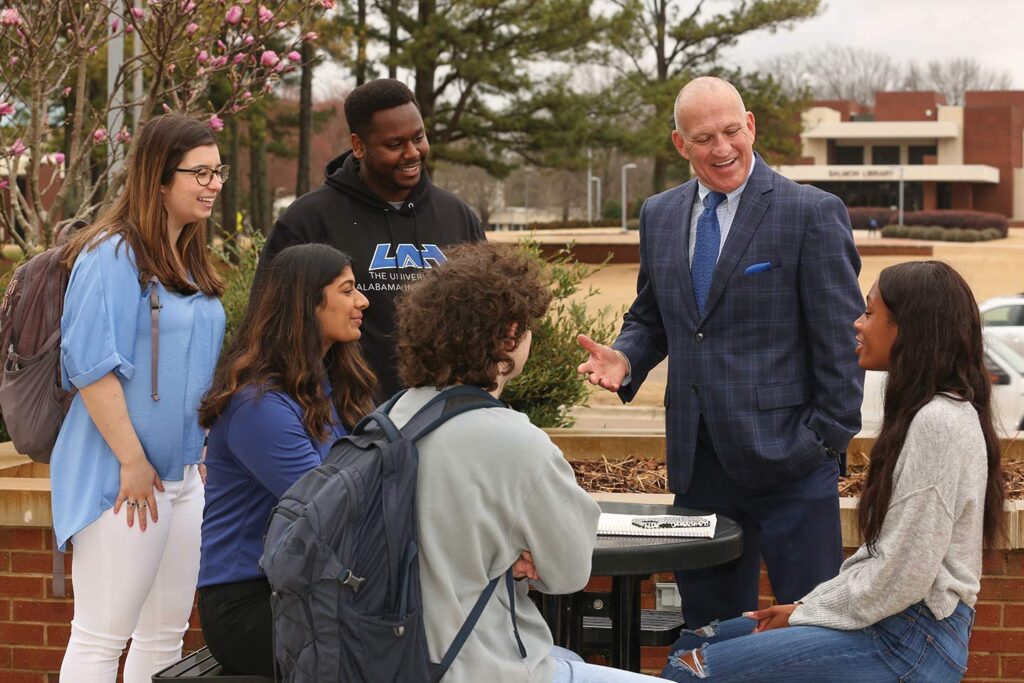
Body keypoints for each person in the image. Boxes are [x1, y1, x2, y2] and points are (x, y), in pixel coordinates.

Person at [577, 76, 864, 628]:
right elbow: (653, 316)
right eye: (704, 138)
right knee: (711, 633)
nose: (723, 148)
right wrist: (627, 356)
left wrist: (822, 442)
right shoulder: (659, 214)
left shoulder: (811, 212)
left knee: (811, 632)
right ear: (680, 144)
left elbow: (840, 343)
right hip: (699, 465)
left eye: (733, 131)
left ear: (750, 126)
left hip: (793, 468)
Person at [659, 260, 1005, 682]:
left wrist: (809, 614)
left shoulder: (939, 422)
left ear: (908, 327)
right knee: (697, 642)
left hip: (911, 640)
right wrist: (806, 609)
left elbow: (902, 575)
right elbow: (883, 559)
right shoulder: (929, 413)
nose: (857, 324)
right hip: (891, 623)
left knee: (692, 670)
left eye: (870, 312)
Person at [390, 242, 663, 683]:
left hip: (388, 658)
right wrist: (519, 555)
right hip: (481, 666)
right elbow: (569, 571)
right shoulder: (516, 441)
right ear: (511, 335)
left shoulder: (391, 415)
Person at [52, 114, 227, 682]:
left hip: (180, 479)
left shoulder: (188, 259)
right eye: (199, 172)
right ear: (158, 177)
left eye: (218, 171)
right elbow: (91, 369)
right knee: (102, 638)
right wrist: (131, 459)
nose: (214, 183)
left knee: (165, 636)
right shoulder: (111, 255)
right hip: (120, 478)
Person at [196, 244, 376, 676]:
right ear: (308, 303)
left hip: (312, 585)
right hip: (251, 601)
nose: (363, 301)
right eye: (347, 290)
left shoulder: (335, 386)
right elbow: (330, 511)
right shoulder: (259, 405)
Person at [258, 78, 485, 398]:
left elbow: (487, 323)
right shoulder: (308, 221)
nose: (412, 153)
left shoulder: (458, 217)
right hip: (346, 424)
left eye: (418, 138)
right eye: (395, 144)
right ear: (358, 145)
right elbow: (271, 330)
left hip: (443, 419)